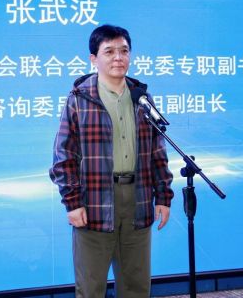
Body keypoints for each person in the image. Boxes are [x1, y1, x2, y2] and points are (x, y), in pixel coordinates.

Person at [49, 24, 174, 298]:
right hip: (94, 200)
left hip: (138, 198)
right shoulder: (79, 99)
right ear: (94, 59)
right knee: (91, 286)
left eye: (124, 51)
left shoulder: (142, 98)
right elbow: (63, 157)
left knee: (136, 285)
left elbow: (158, 152)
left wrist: (163, 196)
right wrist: (72, 202)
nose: (118, 57)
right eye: (109, 51)